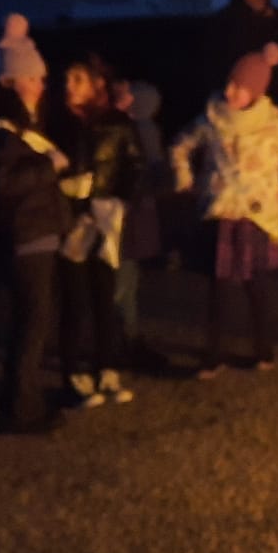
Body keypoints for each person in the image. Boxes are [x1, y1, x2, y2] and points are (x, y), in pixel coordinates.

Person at [172, 52, 278, 377]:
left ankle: (263, 350)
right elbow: (180, 146)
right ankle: (213, 355)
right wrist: (185, 179)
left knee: (257, 287)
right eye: (230, 83)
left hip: (256, 217)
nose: (230, 92)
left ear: (255, 91)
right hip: (222, 213)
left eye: (239, 87)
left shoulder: (273, 123)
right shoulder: (212, 118)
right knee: (219, 288)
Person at [0, 14, 68, 434]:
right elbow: (5, 184)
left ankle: (24, 400)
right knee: (31, 324)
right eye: (34, 79)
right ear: (13, 82)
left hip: (34, 236)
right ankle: (20, 408)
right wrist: (50, 169)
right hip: (25, 240)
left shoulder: (16, 131)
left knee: (34, 323)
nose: (41, 87)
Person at [43, 54, 141, 408]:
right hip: (71, 222)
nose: (70, 86)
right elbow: (45, 167)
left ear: (97, 84)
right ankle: (73, 373)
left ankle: (107, 368)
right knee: (75, 299)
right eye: (67, 79)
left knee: (105, 297)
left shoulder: (117, 124)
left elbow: (134, 165)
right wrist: (65, 191)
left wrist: (121, 201)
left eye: (78, 79)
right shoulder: (56, 124)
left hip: (106, 219)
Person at [111, 79, 171, 371]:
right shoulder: (141, 129)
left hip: (131, 210)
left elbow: (150, 170)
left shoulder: (140, 130)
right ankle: (124, 336)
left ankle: (124, 336)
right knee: (126, 274)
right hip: (134, 210)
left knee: (125, 274)